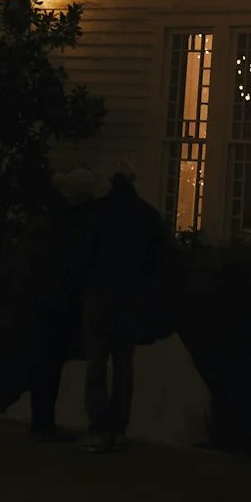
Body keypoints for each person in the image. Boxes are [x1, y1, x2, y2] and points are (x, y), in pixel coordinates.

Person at [82, 160, 168, 453]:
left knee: (96, 362)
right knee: (123, 364)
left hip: (101, 294)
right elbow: (158, 263)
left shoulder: (98, 213)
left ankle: (98, 426)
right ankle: (118, 427)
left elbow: (85, 255)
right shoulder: (147, 216)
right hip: (130, 298)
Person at [27, 167, 96, 443]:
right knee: (52, 359)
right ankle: (44, 420)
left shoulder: (52, 220)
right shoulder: (79, 224)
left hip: (47, 296)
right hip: (61, 298)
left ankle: (41, 418)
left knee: (45, 360)